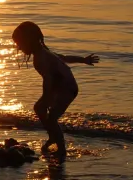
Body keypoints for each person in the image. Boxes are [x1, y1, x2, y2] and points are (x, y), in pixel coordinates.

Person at [12, 21, 98, 159]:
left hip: (66, 89)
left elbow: (48, 79)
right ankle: (53, 137)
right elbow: (63, 58)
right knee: (41, 110)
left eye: (20, 43)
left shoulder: (40, 57)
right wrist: (83, 60)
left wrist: (46, 97)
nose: (19, 47)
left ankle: (61, 147)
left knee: (50, 117)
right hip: (62, 87)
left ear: (29, 40)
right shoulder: (44, 52)